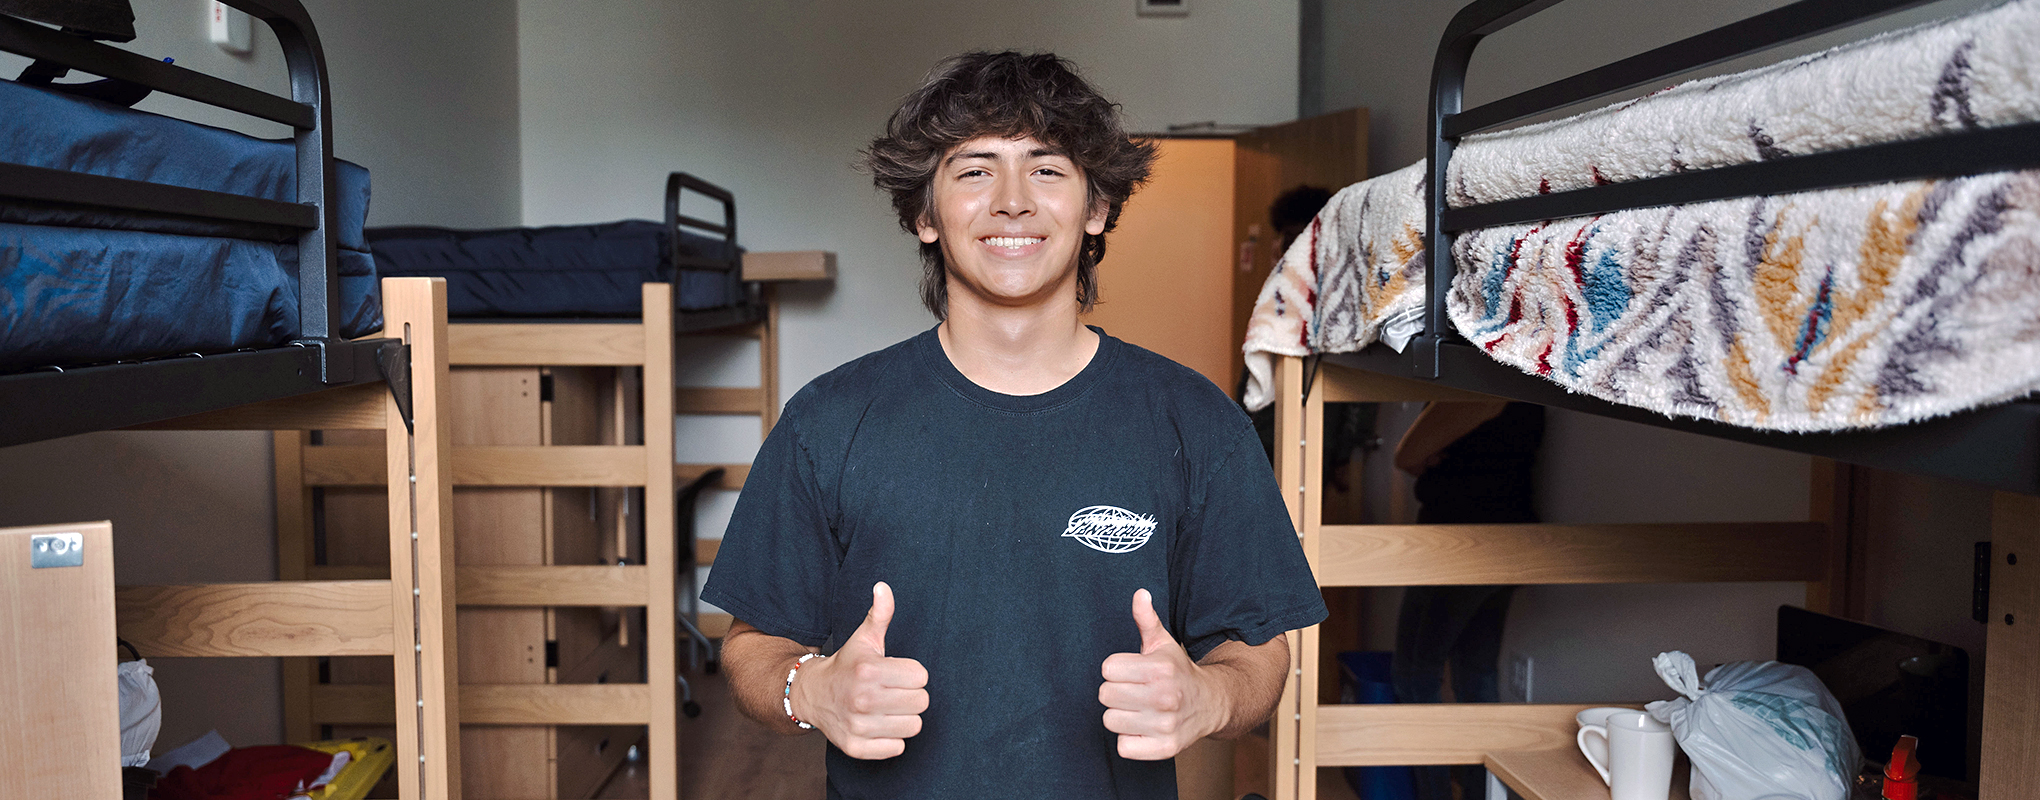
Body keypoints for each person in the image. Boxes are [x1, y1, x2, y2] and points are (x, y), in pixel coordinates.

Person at [702, 51, 1327, 799]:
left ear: (1096, 208)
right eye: (974, 170)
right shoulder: (829, 421)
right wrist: (807, 691)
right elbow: (753, 646)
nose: (1012, 201)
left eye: (1047, 169)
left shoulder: (1194, 422)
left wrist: (1211, 696)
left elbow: (1260, 650)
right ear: (924, 215)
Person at [1390, 400, 1545, 800]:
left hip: (1460, 545)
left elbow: (1406, 456)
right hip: (1508, 539)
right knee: (1476, 677)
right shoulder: (1527, 372)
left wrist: (1430, 453)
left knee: (1414, 675)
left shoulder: (1479, 377)